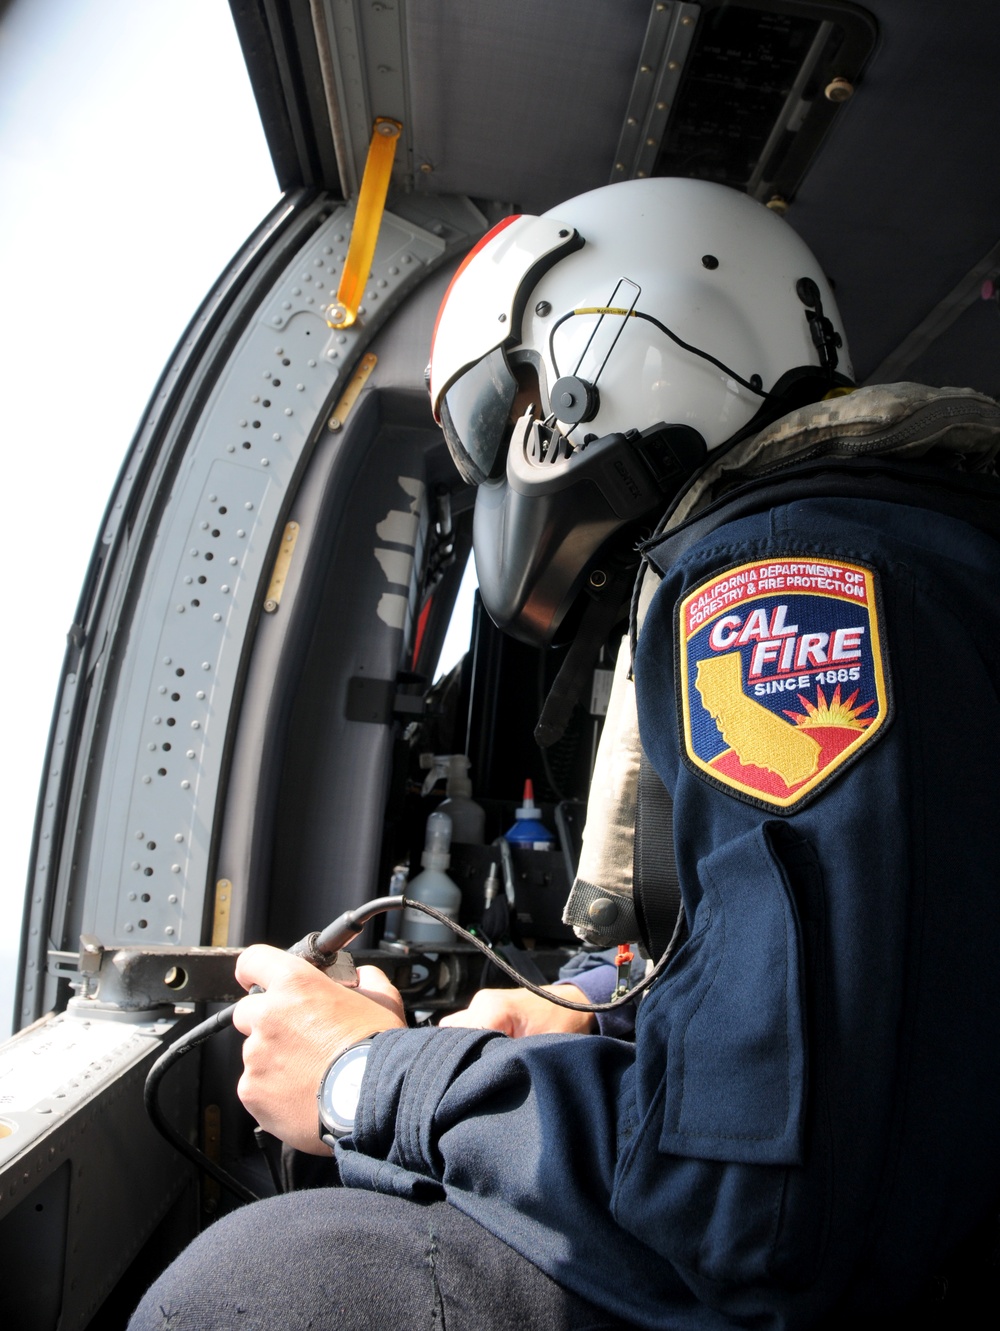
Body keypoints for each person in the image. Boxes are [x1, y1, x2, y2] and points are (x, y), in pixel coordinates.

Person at [130, 178, 1000, 1330]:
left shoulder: (781, 581)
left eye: (499, 409)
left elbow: (758, 1212)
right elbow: (888, 983)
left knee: (267, 1285)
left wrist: (366, 1079)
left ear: (605, 343)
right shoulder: (904, 552)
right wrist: (596, 1014)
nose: (502, 466)